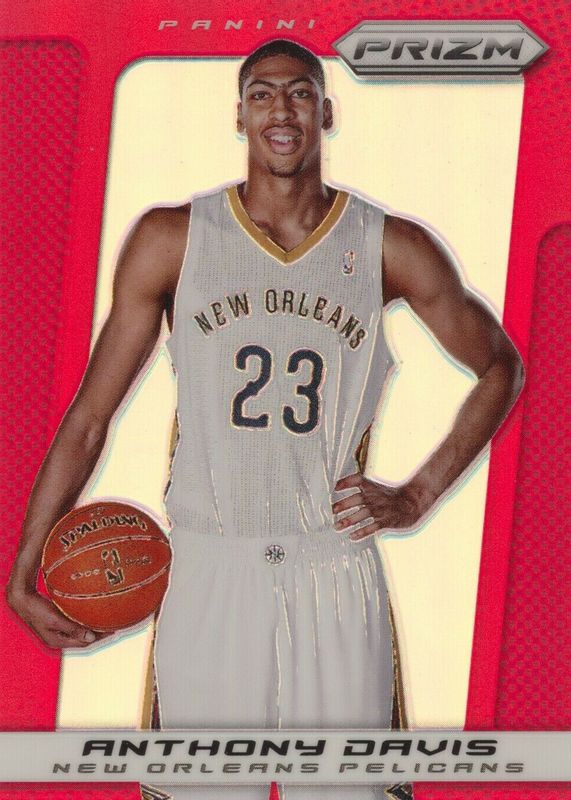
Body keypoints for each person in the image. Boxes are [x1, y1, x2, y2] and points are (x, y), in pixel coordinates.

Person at [6, 39, 524, 800]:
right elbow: (90, 417)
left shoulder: (387, 243)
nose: (281, 109)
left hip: (332, 561)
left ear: (326, 110)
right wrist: (26, 562)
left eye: (300, 92)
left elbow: (500, 365)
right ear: (240, 116)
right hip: (211, 563)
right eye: (262, 94)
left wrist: (419, 493)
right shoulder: (173, 238)